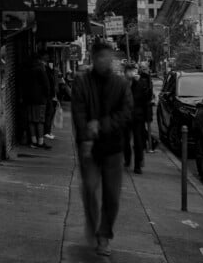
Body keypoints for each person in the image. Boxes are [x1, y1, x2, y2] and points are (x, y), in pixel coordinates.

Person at [71, 38, 133, 257]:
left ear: (112, 58)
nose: (103, 61)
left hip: (113, 148)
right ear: (93, 58)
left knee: (112, 196)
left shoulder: (121, 84)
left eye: (106, 57)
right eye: (99, 57)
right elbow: (78, 112)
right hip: (89, 146)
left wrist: (102, 125)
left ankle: (104, 235)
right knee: (89, 188)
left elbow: (126, 112)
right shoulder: (82, 83)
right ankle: (93, 223)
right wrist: (86, 135)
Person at [123, 63, 150, 174]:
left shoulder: (141, 82)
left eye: (133, 71)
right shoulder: (122, 83)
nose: (131, 73)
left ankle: (137, 165)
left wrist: (148, 118)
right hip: (125, 116)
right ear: (125, 73)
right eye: (129, 71)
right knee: (125, 140)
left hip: (138, 116)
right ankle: (127, 158)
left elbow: (147, 98)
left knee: (138, 141)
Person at [24, 50, 52, 149]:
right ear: (38, 60)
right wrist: (47, 96)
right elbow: (46, 84)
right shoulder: (40, 69)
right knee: (40, 121)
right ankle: (40, 142)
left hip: (29, 99)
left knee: (31, 121)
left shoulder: (27, 69)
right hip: (40, 99)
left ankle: (34, 141)